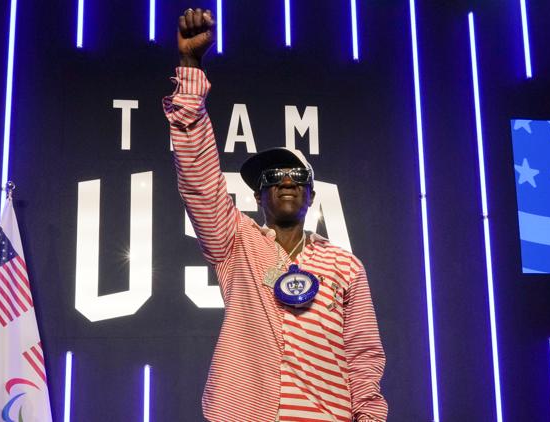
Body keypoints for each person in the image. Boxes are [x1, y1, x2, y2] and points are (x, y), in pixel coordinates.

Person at [163, 8, 388, 422]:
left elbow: (363, 352)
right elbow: (199, 180)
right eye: (273, 176)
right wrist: (191, 67)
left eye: (296, 175)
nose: (285, 182)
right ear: (258, 195)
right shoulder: (237, 245)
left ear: (310, 193)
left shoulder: (346, 265)